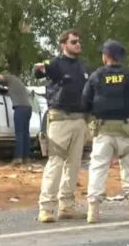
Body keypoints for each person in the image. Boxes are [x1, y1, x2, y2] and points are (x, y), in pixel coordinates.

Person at [33, 29, 90, 223]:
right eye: (74, 42)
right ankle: (45, 208)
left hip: (79, 119)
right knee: (55, 163)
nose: (78, 45)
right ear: (63, 45)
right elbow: (39, 71)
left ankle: (66, 206)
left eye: (79, 41)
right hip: (59, 119)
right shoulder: (56, 64)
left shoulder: (82, 66)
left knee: (73, 165)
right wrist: (39, 68)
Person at [81, 40, 129, 223]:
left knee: (98, 169)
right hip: (126, 130)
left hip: (103, 131)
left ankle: (93, 212)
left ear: (106, 57)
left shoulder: (97, 75)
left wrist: (90, 119)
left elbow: (84, 101)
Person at [0, 72, 32, 165]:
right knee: (25, 133)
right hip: (28, 108)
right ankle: (26, 158)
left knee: (19, 133)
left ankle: (18, 158)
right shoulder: (18, 84)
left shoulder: (11, 77)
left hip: (20, 108)